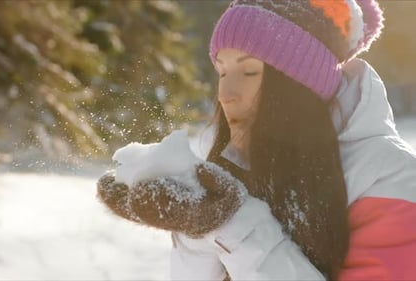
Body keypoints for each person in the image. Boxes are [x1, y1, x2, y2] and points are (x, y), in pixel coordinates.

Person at [97, 0, 416, 280]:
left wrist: (233, 223)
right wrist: (196, 228)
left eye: (249, 72)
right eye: (222, 72)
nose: (226, 94)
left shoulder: (391, 180)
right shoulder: (241, 162)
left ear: (299, 84)